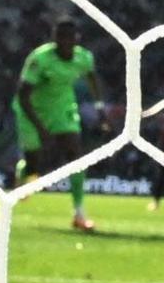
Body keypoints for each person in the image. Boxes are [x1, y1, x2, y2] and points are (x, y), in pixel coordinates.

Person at [15, 17, 103, 232]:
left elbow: (92, 78)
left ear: (76, 39)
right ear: (54, 39)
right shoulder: (40, 59)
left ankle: (79, 214)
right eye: (60, 37)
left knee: (76, 156)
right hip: (32, 110)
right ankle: (22, 173)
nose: (64, 42)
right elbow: (23, 96)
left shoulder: (84, 57)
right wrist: (40, 128)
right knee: (34, 164)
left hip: (63, 108)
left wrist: (100, 109)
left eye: (69, 37)